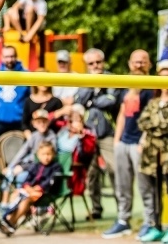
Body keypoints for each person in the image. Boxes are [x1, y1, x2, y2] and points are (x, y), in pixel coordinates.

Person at [103, 49, 155, 240]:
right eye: (136, 61)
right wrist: (117, 140)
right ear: (130, 63)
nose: (139, 65)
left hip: (140, 143)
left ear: (149, 64)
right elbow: (122, 113)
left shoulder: (152, 87)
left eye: (143, 61)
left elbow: (153, 116)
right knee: (122, 185)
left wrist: (144, 140)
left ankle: (150, 222)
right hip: (124, 142)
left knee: (145, 186)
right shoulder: (126, 86)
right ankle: (123, 220)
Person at [137, 66, 168, 243]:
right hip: (152, 154)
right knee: (155, 192)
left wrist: (153, 124)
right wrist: (157, 123)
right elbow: (141, 122)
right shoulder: (153, 102)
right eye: (162, 77)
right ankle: (156, 227)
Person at [75, 47, 122, 220]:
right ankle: (96, 208)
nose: (95, 66)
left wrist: (91, 101)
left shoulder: (112, 78)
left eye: (98, 62)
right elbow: (79, 101)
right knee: (91, 174)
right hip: (89, 134)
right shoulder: (84, 80)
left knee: (114, 171)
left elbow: (111, 101)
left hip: (108, 133)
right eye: (91, 63)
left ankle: (122, 210)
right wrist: (92, 88)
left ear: (104, 62)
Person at [0, 141, 62, 236]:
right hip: (29, 191)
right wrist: (27, 187)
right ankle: (8, 219)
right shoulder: (35, 166)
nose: (46, 157)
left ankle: (11, 222)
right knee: (16, 194)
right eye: (43, 154)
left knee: (25, 200)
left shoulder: (56, 167)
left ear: (53, 154)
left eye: (49, 154)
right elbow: (27, 179)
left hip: (44, 193)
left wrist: (38, 188)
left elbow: (51, 181)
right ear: (38, 155)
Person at [0, 108, 58, 211]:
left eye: (44, 121)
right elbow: (22, 152)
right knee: (9, 173)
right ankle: (5, 203)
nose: (42, 124)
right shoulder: (34, 136)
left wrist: (23, 167)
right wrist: (11, 166)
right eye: (39, 122)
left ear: (48, 122)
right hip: (28, 164)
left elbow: (44, 159)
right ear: (34, 124)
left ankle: (21, 205)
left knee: (22, 177)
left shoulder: (51, 137)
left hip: (38, 168)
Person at [0, 46, 31, 140]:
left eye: (12, 56)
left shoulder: (26, 74)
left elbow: (29, 97)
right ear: (1, 57)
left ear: (16, 57)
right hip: (0, 120)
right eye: (6, 57)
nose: (9, 60)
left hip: (19, 121)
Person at [21, 71, 63, 138]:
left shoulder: (56, 101)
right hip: (33, 137)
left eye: (46, 79)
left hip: (50, 138)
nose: (44, 82)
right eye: (41, 79)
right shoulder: (28, 101)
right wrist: (30, 138)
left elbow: (60, 123)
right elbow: (24, 123)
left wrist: (56, 114)